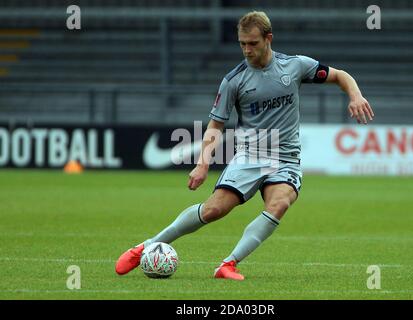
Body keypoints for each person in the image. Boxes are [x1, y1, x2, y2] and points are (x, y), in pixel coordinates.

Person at [115, 11, 374, 280]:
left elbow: (340, 75)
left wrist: (355, 95)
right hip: (251, 156)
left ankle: (228, 264)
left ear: (268, 38)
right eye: (242, 44)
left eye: (253, 43)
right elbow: (215, 125)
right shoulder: (234, 80)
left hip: (286, 158)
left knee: (280, 203)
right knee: (214, 210)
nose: (247, 50)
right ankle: (144, 247)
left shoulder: (295, 66)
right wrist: (202, 165)